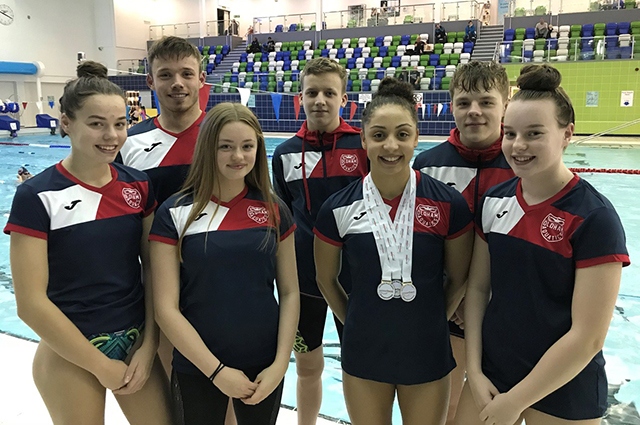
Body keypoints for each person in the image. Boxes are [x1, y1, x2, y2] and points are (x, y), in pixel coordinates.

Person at [455, 64, 630, 425]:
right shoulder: (495, 201)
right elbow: (477, 288)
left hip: (565, 385)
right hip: (494, 373)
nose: (518, 146)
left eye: (534, 133)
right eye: (511, 133)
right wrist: (474, 370)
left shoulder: (593, 218)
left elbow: (588, 337)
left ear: (567, 134)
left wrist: (515, 401)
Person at [4, 61, 171, 425]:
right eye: (97, 124)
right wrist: (99, 364)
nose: (111, 135)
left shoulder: (137, 186)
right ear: (66, 123)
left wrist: (149, 345)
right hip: (69, 353)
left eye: (120, 123)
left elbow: (155, 274)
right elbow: (30, 304)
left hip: (135, 341)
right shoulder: (38, 196)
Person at [314, 78, 474, 425]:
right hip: (364, 351)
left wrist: (432, 318)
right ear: (364, 139)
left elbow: (460, 277)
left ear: (416, 138)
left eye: (402, 135)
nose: (391, 146)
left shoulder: (447, 203)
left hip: (427, 349)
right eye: (379, 135)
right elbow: (325, 279)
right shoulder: (337, 209)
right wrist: (355, 322)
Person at [150, 103, 299, 425]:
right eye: (226, 147)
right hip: (198, 364)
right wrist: (215, 371)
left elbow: (289, 292)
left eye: (247, 146)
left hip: (264, 364)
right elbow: (165, 308)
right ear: (208, 149)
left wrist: (280, 365)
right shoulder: (175, 213)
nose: (238, 157)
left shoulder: (274, 210)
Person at [412, 60, 514, 425]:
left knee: (497, 412)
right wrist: (452, 298)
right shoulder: (426, 166)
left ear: (506, 103)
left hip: (506, 311)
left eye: (486, 102)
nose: (474, 111)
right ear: (451, 104)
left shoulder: (522, 162)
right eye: (464, 102)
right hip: (446, 308)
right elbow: (417, 247)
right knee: (447, 408)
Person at [271, 57, 368, 425]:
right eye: (312, 92)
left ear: (344, 99)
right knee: (308, 366)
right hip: (303, 283)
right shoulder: (284, 154)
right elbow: (283, 217)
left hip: (354, 280)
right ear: (300, 98)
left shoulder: (361, 148)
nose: (321, 100)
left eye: (330, 93)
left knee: (358, 367)